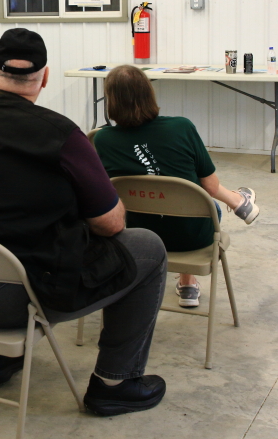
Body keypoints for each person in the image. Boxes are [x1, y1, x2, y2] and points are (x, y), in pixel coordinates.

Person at [0, 28, 168, 417]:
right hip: (5, 301)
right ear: (45, 77)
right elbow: (112, 224)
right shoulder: (62, 135)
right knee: (147, 247)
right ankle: (116, 382)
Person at [93, 65, 259, 309]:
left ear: (112, 101)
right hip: (194, 238)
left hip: (139, 237)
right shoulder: (181, 127)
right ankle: (189, 283)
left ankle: (237, 200)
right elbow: (211, 186)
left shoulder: (102, 139)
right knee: (207, 204)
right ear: (149, 93)